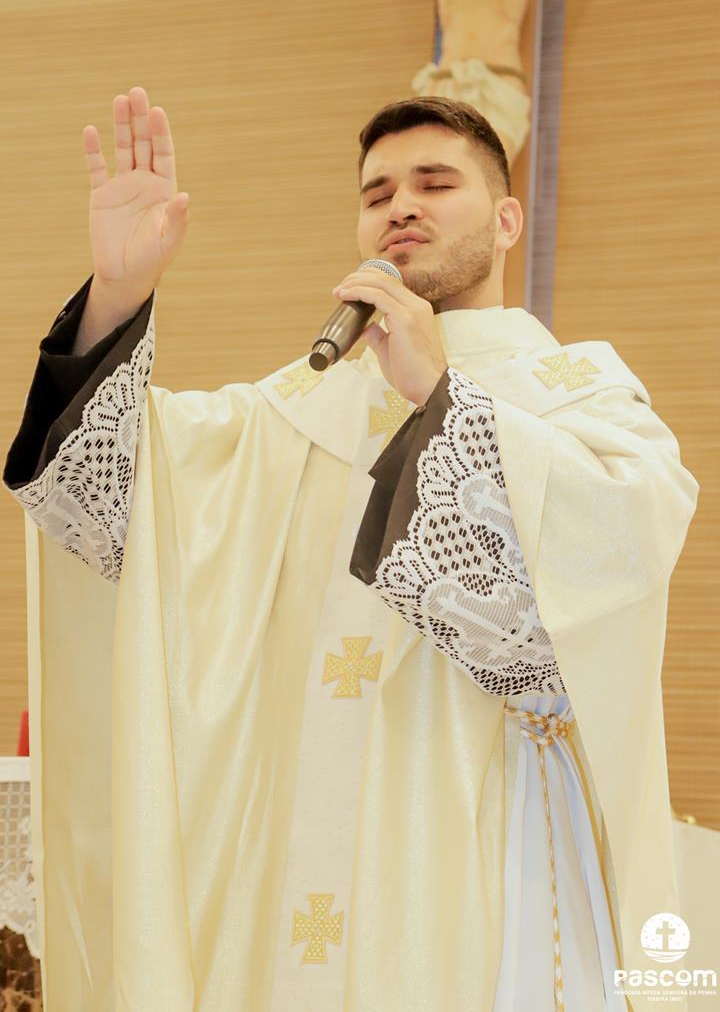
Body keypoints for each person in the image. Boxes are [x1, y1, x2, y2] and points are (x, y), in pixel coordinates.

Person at [3, 86, 699, 1012]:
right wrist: (119, 295)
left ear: (506, 221)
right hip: (296, 843)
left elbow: (589, 601)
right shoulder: (291, 411)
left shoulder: (581, 399)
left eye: (434, 183)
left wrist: (440, 394)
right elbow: (100, 502)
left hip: (489, 851)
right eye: (377, 193)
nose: (401, 205)